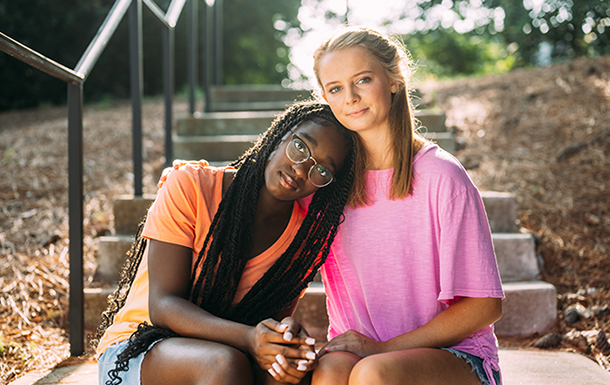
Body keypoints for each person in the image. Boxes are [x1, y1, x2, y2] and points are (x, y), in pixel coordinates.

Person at [92, 101, 357, 385]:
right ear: (282, 134)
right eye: (300, 147)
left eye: (322, 171)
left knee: (288, 374)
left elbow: (266, 321)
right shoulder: (191, 185)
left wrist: (283, 335)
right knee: (223, 365)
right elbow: (163, 306)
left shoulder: (302, 240)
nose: (301, 169)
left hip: (231, 356)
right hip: (140, 348)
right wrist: (249, 337)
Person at [294, 26, 504, 385]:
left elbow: (485, 306)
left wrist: (385, 348)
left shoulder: (442, 176)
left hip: (455, 356)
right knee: (329, 373)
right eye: (335, 88)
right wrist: (195, 177)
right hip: (357, 355)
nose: (350, 97)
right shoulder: (327, 187)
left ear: (393, 79)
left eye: (362, 80)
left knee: (375, 374)